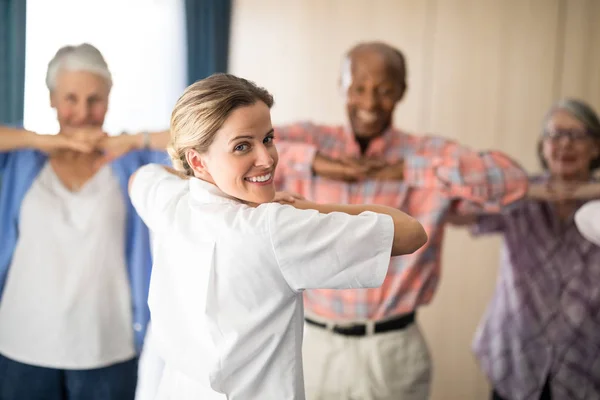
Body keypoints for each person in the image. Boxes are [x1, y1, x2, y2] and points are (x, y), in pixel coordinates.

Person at [128, 73, 428, 399]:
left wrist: (207, 175)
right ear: (198, 160)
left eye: (268, 138)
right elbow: (411, 232)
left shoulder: (170, 203)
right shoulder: (276, 229)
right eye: (242, 146)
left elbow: (141, 178)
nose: (266, 158)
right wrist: (310, 207)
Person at [272, 41, 529, 399]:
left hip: (393, 350)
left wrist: (407, 171)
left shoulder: (426, 153)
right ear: (341, 85)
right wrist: (315, 163)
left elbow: (512, 180)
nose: (369, 102)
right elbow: (228, 149)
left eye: (385, 90)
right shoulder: (311, 140)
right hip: (313, 345)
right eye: (358, 88)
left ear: (403, 91)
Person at [0, 43, 171, 399]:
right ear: (51, 99)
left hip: (108, 347)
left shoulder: (132, 160)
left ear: (108, 101)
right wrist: (45, 139)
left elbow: (201, 141)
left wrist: (131, 139)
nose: (82, 112)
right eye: (70, 98)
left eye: (95, 99)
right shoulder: (22, 158)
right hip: (21, 344)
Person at [450, 98, 600, 400]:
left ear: (596, 147)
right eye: (555, 135)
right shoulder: (516, 192)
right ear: (543, 146)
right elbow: (457, 212)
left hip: (585, 362)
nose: (565, 145)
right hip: (516, 359)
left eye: (577, 135)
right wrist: (530, 191)